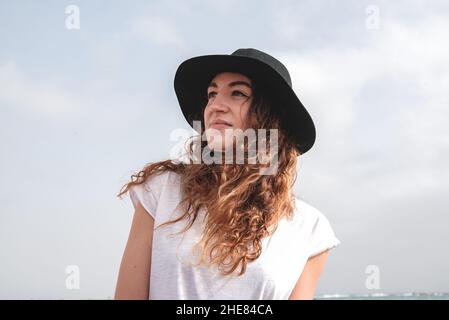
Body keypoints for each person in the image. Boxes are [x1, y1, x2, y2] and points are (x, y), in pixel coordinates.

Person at [114, 48, 341, 300]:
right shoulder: (160, 190)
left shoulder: (310, 228)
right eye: (212, 94)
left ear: (271, 118)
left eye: (238, 93)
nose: (215, 106)